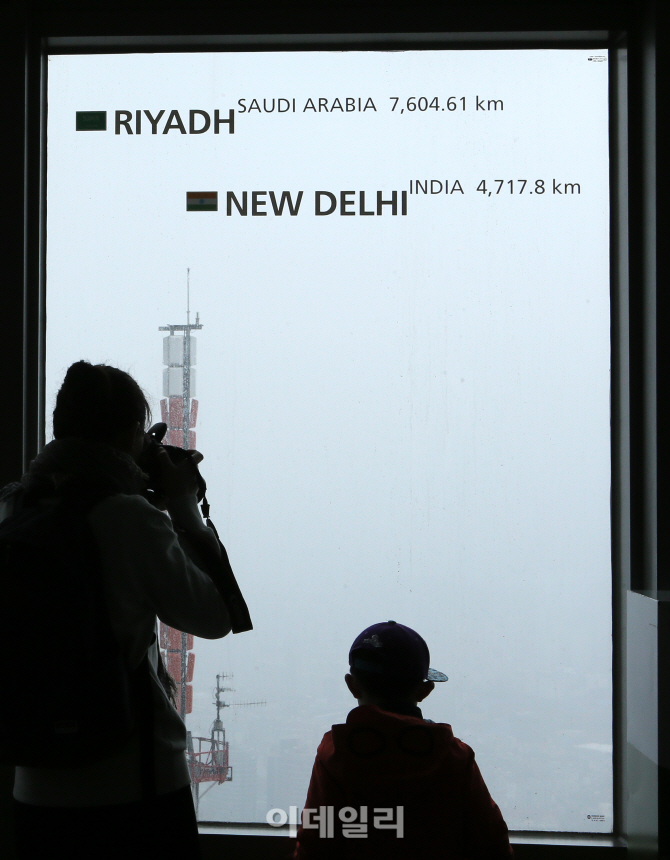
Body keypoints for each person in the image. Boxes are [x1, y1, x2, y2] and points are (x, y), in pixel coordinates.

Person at [0, 361, 235, 860]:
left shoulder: (14, 507)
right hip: (132, 783)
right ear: (132, 432)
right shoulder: (127, 516)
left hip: (34, 785)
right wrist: (185, 509)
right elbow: (213, 617)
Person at [293, 620, 513, 860]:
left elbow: (315, 844)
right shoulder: (453, 756)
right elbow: (492, 843)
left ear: (352, 685)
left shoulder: (335, 752)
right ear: (424, 690)